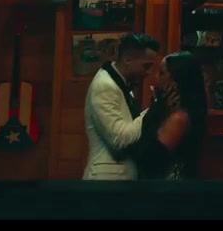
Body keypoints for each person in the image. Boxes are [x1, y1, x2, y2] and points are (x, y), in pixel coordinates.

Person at [82, 33, 165, 180]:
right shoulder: (105, 86)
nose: (148, 73)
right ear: (127, 60)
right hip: (107, 181)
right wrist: (153, 110)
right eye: (146, 66)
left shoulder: (120, 84)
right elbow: (120, 140)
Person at [142, 51, 209, 180]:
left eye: (162, 73)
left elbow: (149, 160)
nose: (156, 77)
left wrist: (155, 109)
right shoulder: (178, 113)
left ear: (176, 80)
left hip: (169, 185)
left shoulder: (178, 119)